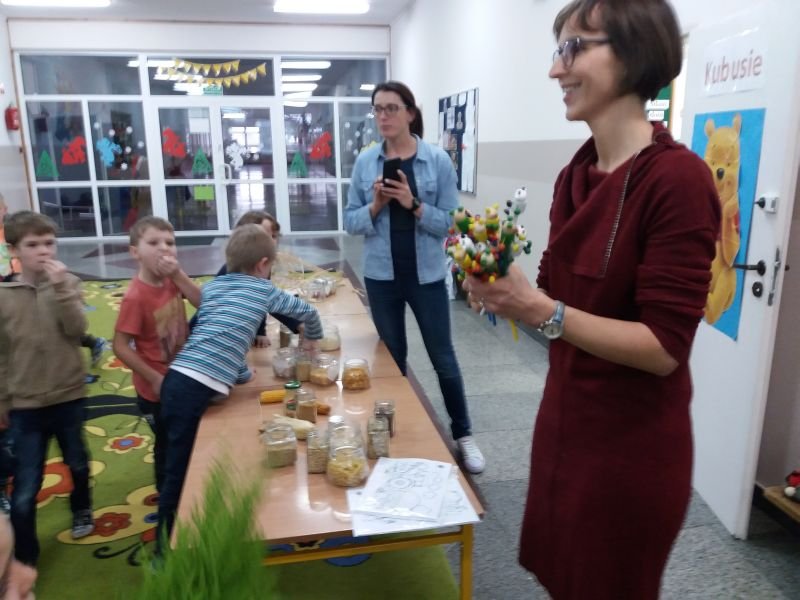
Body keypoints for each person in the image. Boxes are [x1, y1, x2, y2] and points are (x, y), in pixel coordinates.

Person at [463, 1, 721, 597]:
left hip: (630, 451)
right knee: (563, 580)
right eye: (559, 51)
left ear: (634, 52)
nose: (557, 69)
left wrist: (536, 307)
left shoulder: (677, 180)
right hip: (565, 425)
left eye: (574, 48)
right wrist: (505, 293)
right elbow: (553, 293)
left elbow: (664, 348)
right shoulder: (575, 174)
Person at [343, 80, 485, 474]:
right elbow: (350, 222)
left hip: (426, 277)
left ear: (410, 112)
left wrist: (413, 203)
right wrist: (376, 205)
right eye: (377, 109)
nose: (383, 116)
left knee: (443, 359)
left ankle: (464, 435)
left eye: (391, 108)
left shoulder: (437, 160)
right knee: (393, 360)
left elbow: (453, 223)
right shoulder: (366, 163)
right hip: (381, 277)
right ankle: (395, 436)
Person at [156, 224, 323, 551]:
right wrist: (311, 339)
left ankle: (175, 520)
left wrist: (243, 375)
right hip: (191, 387)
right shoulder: (263, 289)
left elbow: (222, 337)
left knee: (176, 458)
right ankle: (164, 550)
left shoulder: (214, 287)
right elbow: (308, 313)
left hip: (178, 379)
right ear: (263, 265)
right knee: (180, 472)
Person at [0, 211, 97, 566]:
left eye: (49, 243)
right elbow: (2, 354)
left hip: (68, 395)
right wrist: (3, 400)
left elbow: (77, 330)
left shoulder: (68, 283)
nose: (43, 251)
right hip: (25, 405)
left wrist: (60, 289)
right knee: (26, 484)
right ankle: (25, 555)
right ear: (14, 250)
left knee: (78, 462)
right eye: (33, 244)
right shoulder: (4, 295)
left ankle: (82, 507)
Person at [112, 216, 201, 495]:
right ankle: (167, 496)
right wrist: (153, 378)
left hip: (181, 376)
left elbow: (203, 303)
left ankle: (186, 484)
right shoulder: (135, 297)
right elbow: (120, 346)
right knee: (167, 443)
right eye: (153, 242)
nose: (164, 248)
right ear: (135, 252)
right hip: (156, 389)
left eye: (170, 243)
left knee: (186, 435)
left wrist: (178, 275)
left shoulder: (172, 281)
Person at [188, 210, 301, 348]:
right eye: (264, 236)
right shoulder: (235, 271)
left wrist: (260, 331)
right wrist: (299, 324)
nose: (271, 241)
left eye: (273, 236)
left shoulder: (261, 263)